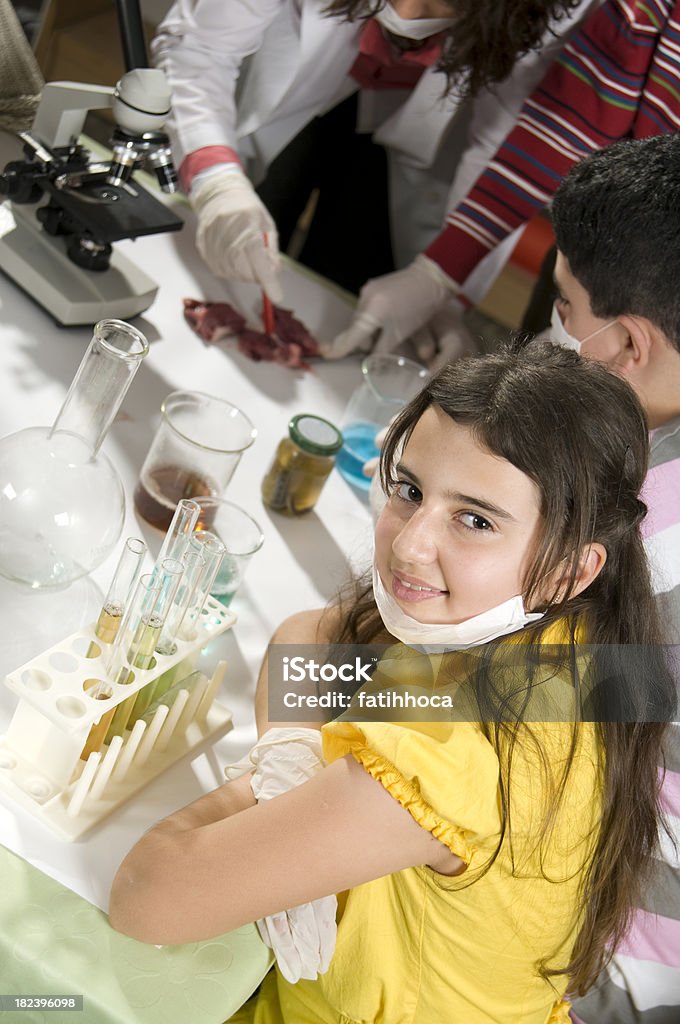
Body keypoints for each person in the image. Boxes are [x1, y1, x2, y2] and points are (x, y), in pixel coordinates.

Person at [109, 341, 675, 1024]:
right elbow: (311, 639)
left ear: (568, 570)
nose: (408, 544)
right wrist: (289, 756)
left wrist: (277, 795)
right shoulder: (577, 648)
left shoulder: (456, 743)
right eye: (409, 490)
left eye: (475, 520)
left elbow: (147, 895)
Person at [150, 0, 600, 318]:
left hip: (435, 119)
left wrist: (445, 287)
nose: (405, 11)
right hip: (287, 72)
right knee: (223, 257)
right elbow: (200, 46)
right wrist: (215, 178)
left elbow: (503, 145)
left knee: (355, 290)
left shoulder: (554, 8)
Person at [325, 0, 680, 369]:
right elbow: (566, 125)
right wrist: (440, 274)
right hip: (622, 237)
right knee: (552, 376)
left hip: (658, 268)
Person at [545, 133, 680, 1023]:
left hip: (608, 955)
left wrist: (320, 666)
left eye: (564, 307)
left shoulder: (661, 543)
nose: (556, 330)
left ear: (628, 342)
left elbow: (516, 696)